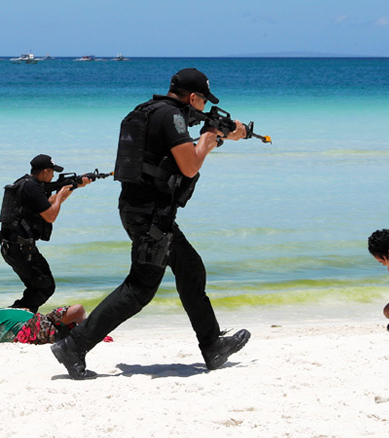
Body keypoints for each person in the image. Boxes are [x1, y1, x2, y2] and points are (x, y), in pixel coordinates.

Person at [50, 68, 252, 380]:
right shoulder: (171, 118)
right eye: (202, 102)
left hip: (141, 209)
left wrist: (222, 133)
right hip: (151, 216)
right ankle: (73, 346)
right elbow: (188, 166)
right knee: (139, 289)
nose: (201, 109)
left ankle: (212, 346)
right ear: (194, 97)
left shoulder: (147, 112)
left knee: (191, 270)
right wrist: (210, 139)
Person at [0, 154, 89, 312]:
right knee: (44, 286)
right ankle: (16, 317)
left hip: (13, 247)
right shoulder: (32, 187)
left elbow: (48, 205)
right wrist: (61, 194)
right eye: (52, 172)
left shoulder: (26, 184)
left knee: (38, 287)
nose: (53, 175)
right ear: (46, 171)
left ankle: (20, 318)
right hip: (20, 248)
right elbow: (51, 216)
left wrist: (72, 188)